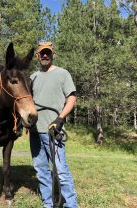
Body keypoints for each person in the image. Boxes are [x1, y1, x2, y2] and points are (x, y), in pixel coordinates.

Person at [29, 42, 78, 208]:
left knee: (61, 170)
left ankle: (71, 205)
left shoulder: (62, 74)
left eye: (47, 53)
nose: (44, 56)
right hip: (35, 131)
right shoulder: (32, 77)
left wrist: (60, 119)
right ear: (38, 55)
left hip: (53, 131)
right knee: (41, 170)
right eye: (42, 53)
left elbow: (71, 99)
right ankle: (47, 204)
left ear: (52, 54)